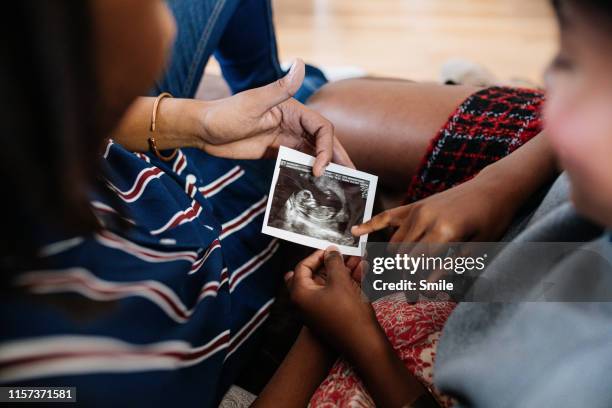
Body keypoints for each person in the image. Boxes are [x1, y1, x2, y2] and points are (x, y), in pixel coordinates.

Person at [260, 0, 612, 406]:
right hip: (521, 244)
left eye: (568, 64)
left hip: (446, 325)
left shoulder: (578, 377)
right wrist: (496, 184)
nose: (547, 83)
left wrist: (349, 335)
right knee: (326, 109)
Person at [0, 1, 350, 406]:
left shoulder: (37, 108)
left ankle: (284, 85)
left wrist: (200, 124)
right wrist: (324, 336)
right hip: (217, 267)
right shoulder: (71, 374)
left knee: (308, 106)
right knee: (323, 98)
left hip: (159, 175)